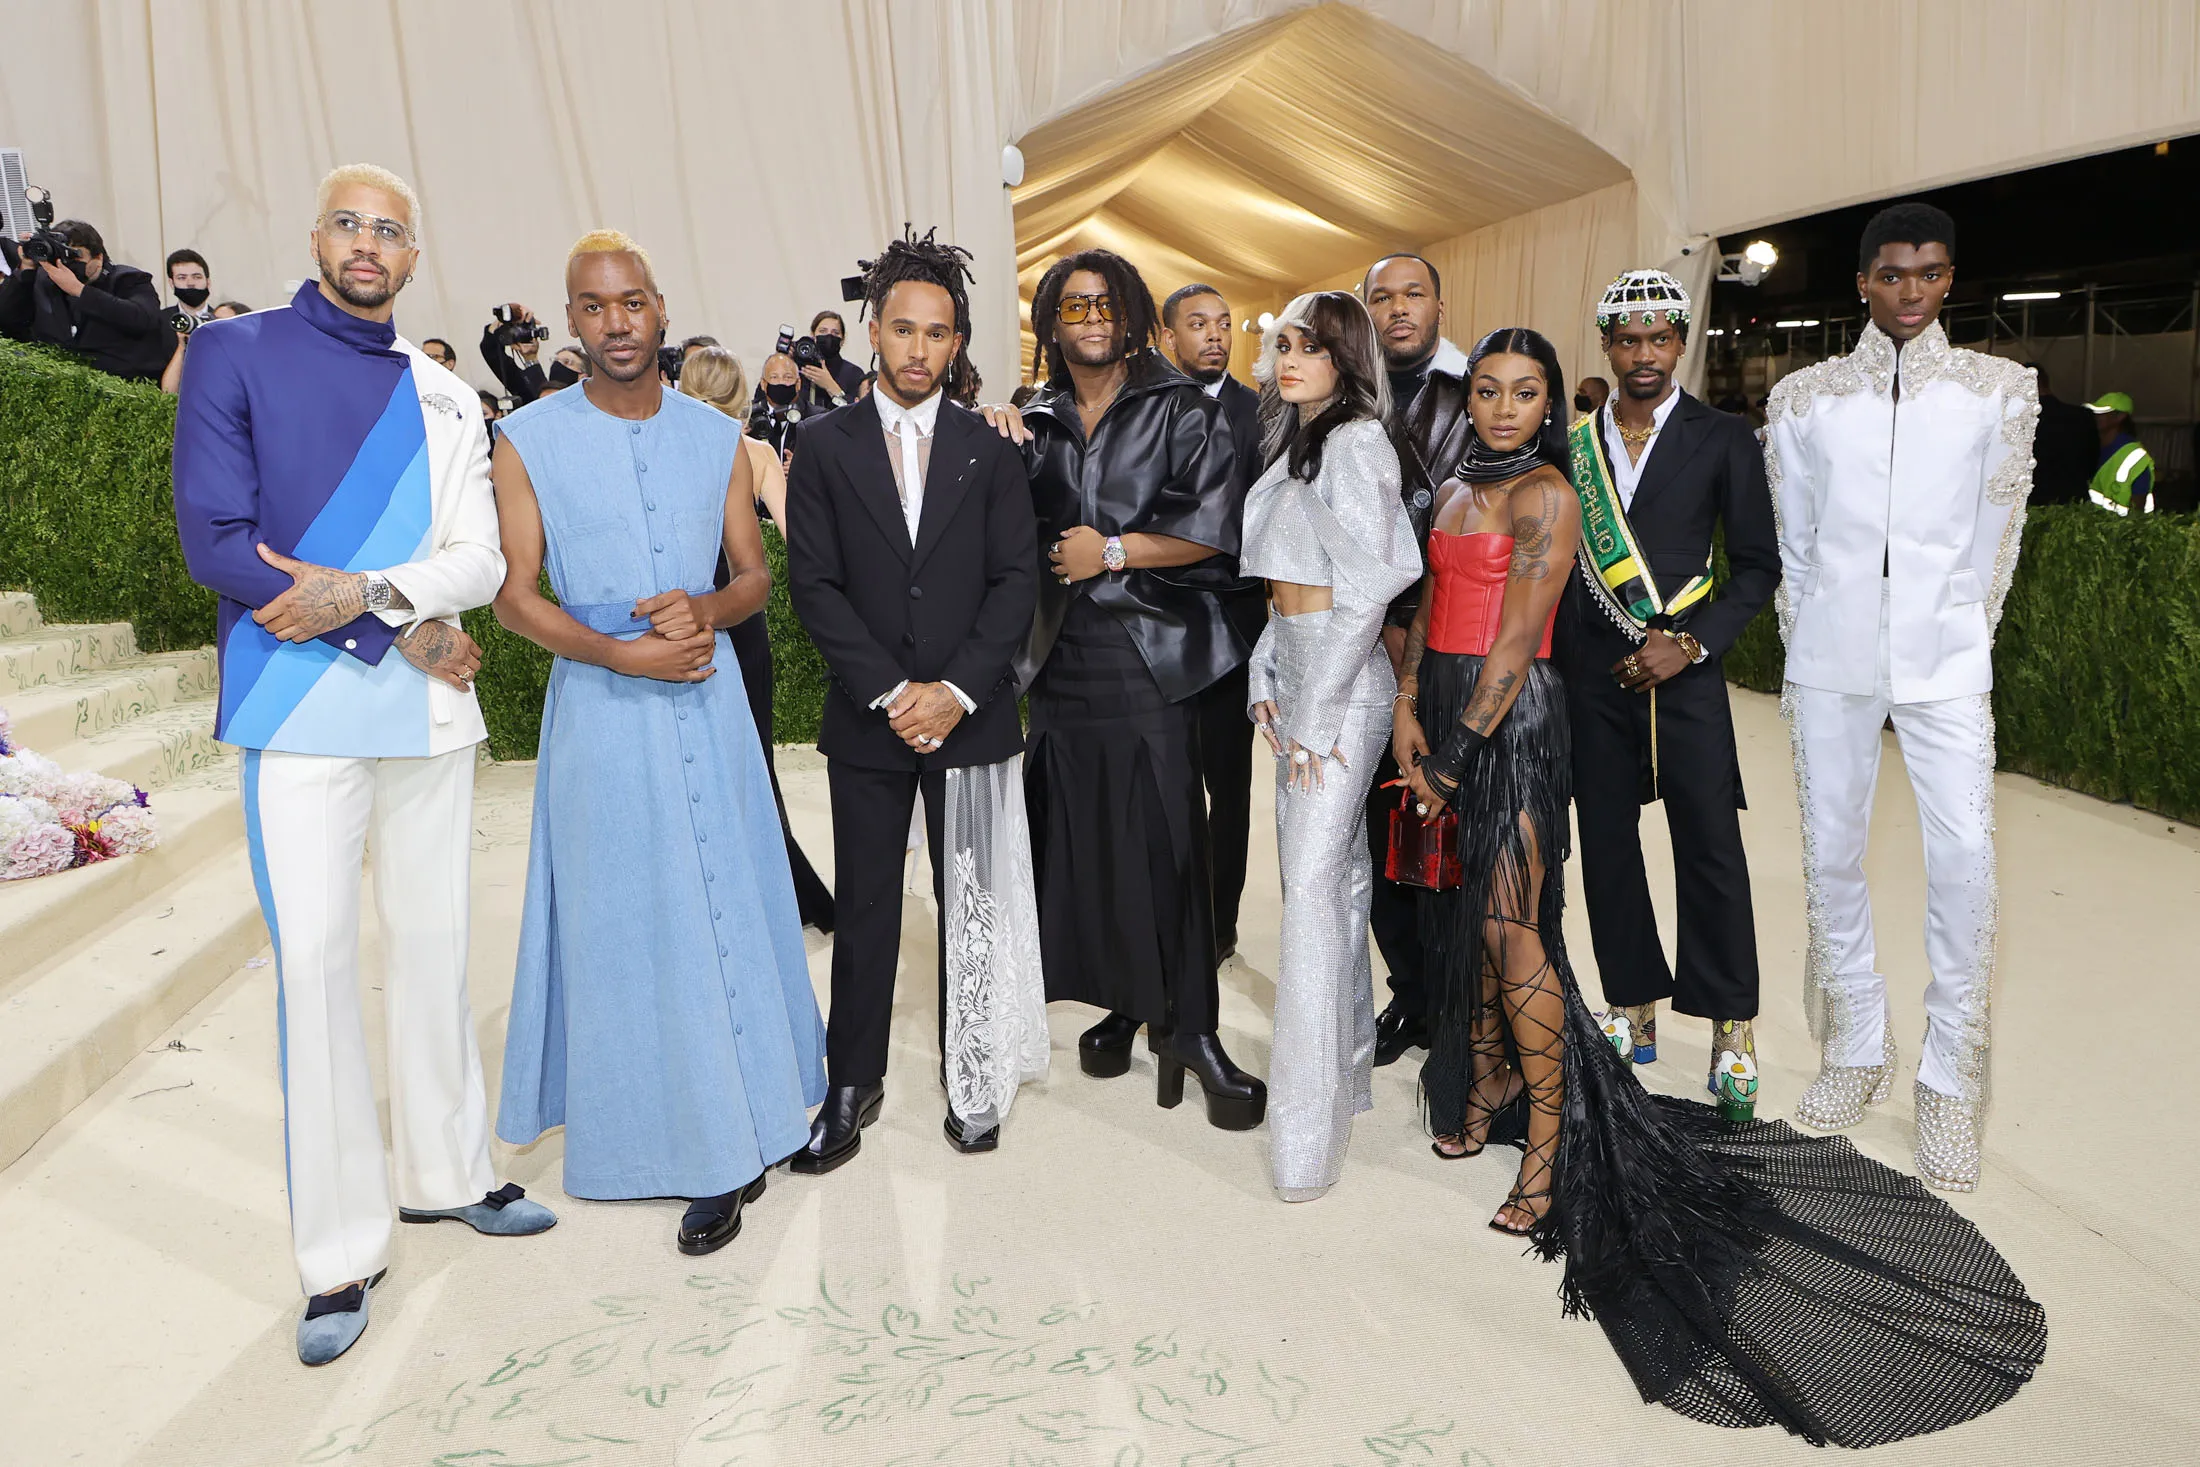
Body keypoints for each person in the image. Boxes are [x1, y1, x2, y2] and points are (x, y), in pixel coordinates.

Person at [1394, 326, 2045, 1447]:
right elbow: (1417, 614)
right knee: (1508, 909)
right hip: (1478, 711)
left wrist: (1455, 751)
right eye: (1488, 391)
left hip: (1528, 718)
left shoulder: (1564, 486)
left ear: (1552, 399)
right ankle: (1493, 1083)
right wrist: (1410, 710)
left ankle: (1561, 1138)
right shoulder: (1457, 483)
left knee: (1532, 921)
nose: (1503, 408)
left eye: (1523, 392)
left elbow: (1535, 636)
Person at [170, 163, 554, 1368]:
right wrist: (384, 624)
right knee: (321, 973)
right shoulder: (235, 354)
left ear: (415, 256)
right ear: (318, 234)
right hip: (296, 711)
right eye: (350, 222)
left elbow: (480, 559)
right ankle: (338, 1252)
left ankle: (449, 1174)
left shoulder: (445, 391)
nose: (368, 244)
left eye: (391, 229)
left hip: (428, 719)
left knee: (438, 949)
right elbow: (217, 544)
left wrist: (380, 599)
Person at [491, 229, 827, 1258]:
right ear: (572, 320)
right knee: (630, 920)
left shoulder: (712, 436)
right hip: (601, 707)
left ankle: (753, 1119)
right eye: (593, 307)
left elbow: (753, 578)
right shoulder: (528, 438)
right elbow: (513, 601)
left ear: (661, 309)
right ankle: (671, 1137)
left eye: (631, 302)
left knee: (724, 897)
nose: (616, 323)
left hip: (706, 693)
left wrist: (706, 609)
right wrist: (614, 653)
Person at [1767, 201, 2037, 1191]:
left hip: (1947, 661)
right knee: (1831, 855)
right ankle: (1854, 1050)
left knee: (1963, 859)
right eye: (1891, 274)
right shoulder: (1803, 401)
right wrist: (1814, 645)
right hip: (1828, 658)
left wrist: (1952, 635)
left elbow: (1992, 544)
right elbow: (1795, 545)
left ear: (1949, 279)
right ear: (1862, 281)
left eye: (1927, 273)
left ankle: (1949, 1084)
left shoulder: (1996, 392)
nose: (1909, 291)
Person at [786, 228, 1044, 1168]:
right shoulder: (821, 445)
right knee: (865, 906)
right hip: (869, 716)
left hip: (971, 718)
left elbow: (1018, 581)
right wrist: (898, 692)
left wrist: (957, 692)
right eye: (902, 329)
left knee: (969, 902)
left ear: (958, 343)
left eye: (938, 334)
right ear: (873, 327)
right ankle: (851, 1079)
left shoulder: (992, 447)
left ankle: (974, 1075)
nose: (919, 350)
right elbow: (814, 586)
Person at [994, 248, 1261, 1129]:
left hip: (1152, 656)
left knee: (1172, 846)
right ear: (1051, 325)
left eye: (1107, 304)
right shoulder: (1034, 414)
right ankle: (1122, 1003)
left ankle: (1194, 1029)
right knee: (1086, 842)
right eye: (1074, 308)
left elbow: (1217, 527)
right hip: (1061, 661)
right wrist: (992, 437)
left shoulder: (1179, 406)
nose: (1093, 319)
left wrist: (1111, 550)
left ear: (1134, 313)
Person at [1557, 270, 1779, 1122]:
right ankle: (1631, 1002)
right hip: (1596, 675)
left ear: (1680, 342)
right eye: (1627, 339)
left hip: (1686, 672)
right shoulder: (1573, 445)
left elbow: (1758, 564)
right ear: (1606, 345)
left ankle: (1732, 1026)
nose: (1643, 355)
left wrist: (1690, 644)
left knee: (1710, 848)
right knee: (1608, 842)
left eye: (1659, 339)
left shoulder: (1725, 437)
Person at [1239, 291, 1419, 1200]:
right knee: (1337, 883)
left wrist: (1313, 709)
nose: (1290, 358)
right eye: (1283, 344)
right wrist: (1267, 674)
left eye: (1310, 346)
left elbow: (1371, 586)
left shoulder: (1356, 441)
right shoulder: (1298, 437)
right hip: (1302, 675)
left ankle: (1303, 1140)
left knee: (1307, 896)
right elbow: (1286, 587)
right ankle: (1344, 1080)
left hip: (1343, 698)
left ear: (1347, 356)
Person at [679, 344, 836, 930]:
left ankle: (705, 898)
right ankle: (780, 895)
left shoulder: (669, 451)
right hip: (742, 625)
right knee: (754, 763)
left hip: (678, 625)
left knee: (688, 766)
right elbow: (803, 544)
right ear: (742, 394)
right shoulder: (757, 453)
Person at [1360, 252, 1469, 1066]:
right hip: (1363, 644)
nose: (1399, 310)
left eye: (1413, 295)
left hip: (1458, 642)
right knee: (1376, 825)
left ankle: (1462, 1001)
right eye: (1382, 298)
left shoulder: (1481, 391)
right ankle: (1410, 992)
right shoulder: (1348, 390)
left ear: (1439, 303)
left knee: (1453, 826)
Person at [1158, 281, 1265, 963]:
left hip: (1236, 613)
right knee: (1164, 777)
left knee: (1229, 784)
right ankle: (1166, 911)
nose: (1215, 335)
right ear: (1168, 337)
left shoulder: (1265, 413)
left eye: (1223, 323)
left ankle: (1219, 924)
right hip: (1157, 616)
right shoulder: (1144, 410)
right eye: (1198, 324)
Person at [0, 218, 177, 382]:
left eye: (75, 256)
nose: (68, 264)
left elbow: (143, 319)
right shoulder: (44, 282)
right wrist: (26, 269)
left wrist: (79, 290)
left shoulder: (130, 279)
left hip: (127, 386)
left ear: (98, 257)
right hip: (66, 390)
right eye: (62, 257)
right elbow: (8, 320)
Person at [2024, 363, 2095, 506]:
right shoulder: (2083, 417)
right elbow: (2093, 462)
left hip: (2034, 503)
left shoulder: (2022, 421)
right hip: (2075, 502)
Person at [2087, 390, 2154, 515]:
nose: (2095, 417)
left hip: (2120, 529)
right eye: (2094, 412)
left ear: (2120, 417)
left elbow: (2137, 508)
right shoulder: (2092, 446)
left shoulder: (2134, 456)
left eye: (2101, 413)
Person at [797, 308, 866, 412]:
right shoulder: (798, 368)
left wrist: (830, 386)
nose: (829, 336)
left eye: (835, 333)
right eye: (823, 331)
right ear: (812, 335)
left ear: (842, 340)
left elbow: (859, 414)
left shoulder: (854, 373)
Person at [479, 303, 550, 401]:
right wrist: (509, 316)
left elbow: (545, 400)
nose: (559, 366)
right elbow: (491, 353)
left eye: (567, 362)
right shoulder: (528, 389)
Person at [750, 351, 805, 459]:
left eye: (788, 377)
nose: (781, 382)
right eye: (774, 377)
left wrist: (801, 468)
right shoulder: (748, 416)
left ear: (798, 384)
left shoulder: (815, 418)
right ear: (763, 384)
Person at [164, 247, 215, 334]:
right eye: (182, 278)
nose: (190, 283)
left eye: (197, 277)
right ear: (171, 283)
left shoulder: (220, 319)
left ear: (208, 282)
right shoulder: (158, 322)